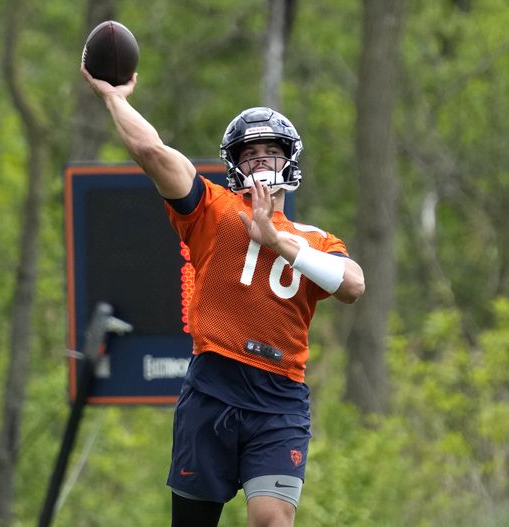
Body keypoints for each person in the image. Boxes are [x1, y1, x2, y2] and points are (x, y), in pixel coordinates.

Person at [82, 65, 365, 527]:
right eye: (250, 155)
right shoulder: (213, 208)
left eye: (271, 153)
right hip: (212, 387)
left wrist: (276, 240)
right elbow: (152, 152)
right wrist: (115, 98)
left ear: (289, 161)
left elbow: (353, 285)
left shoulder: (314, 239)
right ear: (236, 165)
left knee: (272, 521)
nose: (261, 164)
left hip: (279, 398)